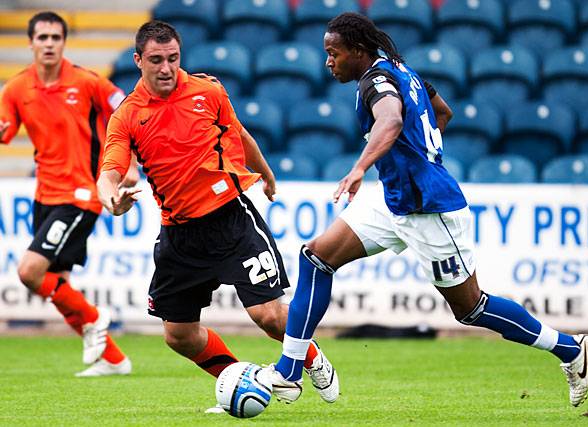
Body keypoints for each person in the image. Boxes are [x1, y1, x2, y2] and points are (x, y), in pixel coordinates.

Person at [265, 12, 588, 408]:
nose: (328, 61)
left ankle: (571, 350)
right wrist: (418, 154)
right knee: (316, 258)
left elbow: (390, 120)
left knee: (471, 308)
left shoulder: (377, 81)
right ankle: (288, 371)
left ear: (357, 50)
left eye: (333, 53)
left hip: (429, 208)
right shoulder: (403, 71)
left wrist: (360, 167)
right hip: (394, 196)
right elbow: (443, 112)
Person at [96, 20, 339, 411]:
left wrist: (265, 172)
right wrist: (110, 199)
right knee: (178, 335)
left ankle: (310, 358)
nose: (166, 68)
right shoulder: (127, 116)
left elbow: (239, 134)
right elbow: (109, 171)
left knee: (270, 316)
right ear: (138, 60)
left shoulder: (207, 91)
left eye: (173, 58)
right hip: (179, 235)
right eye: (156, 60)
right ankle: (244, 380)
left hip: (231, 219)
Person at [0, 11, 137, 377]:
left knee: (30, 273)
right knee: (58, 284)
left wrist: (129, 165)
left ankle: (96, 318)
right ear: (30, 43)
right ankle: (113, 360)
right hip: (45, 194)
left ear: (64, 43)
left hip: (80, 194)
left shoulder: (87, 82)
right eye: (42, 38)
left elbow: (126, 112)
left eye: (55, 38)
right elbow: (5, 131)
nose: (48, 44)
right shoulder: (16, 89)